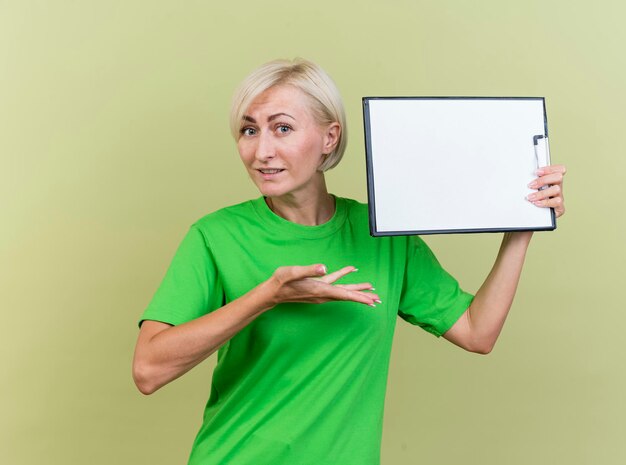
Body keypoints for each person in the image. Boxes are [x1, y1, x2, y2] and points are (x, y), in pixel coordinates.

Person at [132, 58, 566, 465]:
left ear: (329, 137)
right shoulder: (216, 236)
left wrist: (521, 225)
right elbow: (148, 370)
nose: (261, 150)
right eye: (249, 131)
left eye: (282, 128)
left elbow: (477, 331)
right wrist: (267, 296)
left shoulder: (383, 235)